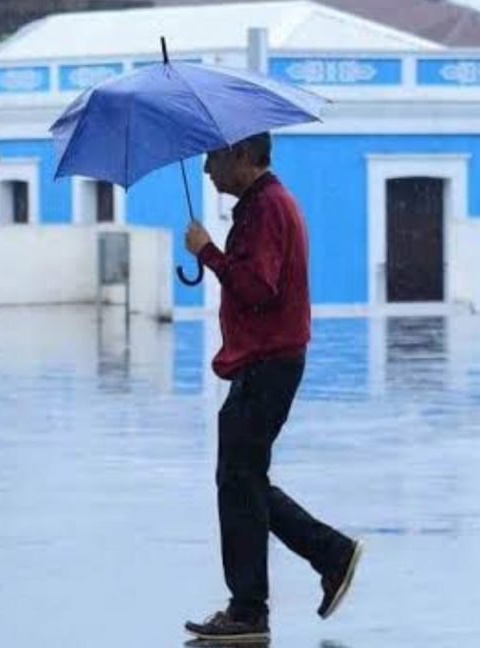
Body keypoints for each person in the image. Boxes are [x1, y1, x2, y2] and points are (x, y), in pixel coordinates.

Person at [182, 132, 362, 642]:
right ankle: (329, 555)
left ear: (242, 155)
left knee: (238, 480)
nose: (207, 171)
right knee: (244, 479)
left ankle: (250, 609)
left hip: (267, 363)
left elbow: (258, 289)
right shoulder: (264, 205)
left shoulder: (265, 210)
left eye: (214, 158)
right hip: (267, 360)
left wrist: (209, 253)